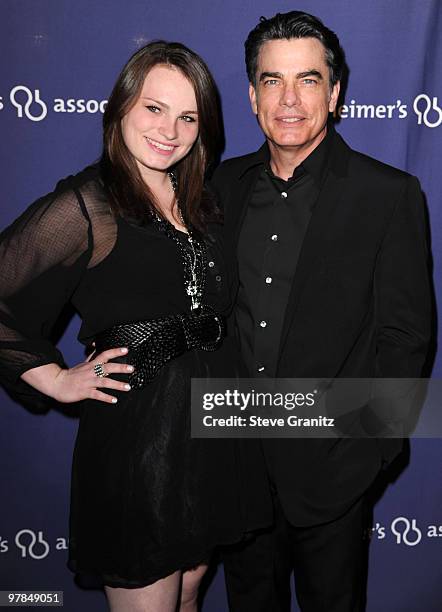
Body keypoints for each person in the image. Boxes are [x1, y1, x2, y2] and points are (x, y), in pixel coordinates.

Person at [0, 41, 271, 612]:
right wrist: (52, 378)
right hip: (138, 448)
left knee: (191, 591)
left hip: (210, 439)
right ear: (122, 106)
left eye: (187, 116)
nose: (169, 130)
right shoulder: (86, 206)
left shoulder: (203, 201)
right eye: (154, 108)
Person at [211, 11, 432, 612]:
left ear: (334, 95)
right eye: (272, 81)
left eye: (307, 80)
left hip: (335, 477)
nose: (288, 99)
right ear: (252, 95)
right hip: (234, 470)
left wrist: (370, 452)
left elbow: (407, 336)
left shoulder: (388, 195)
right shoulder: (215, 189)